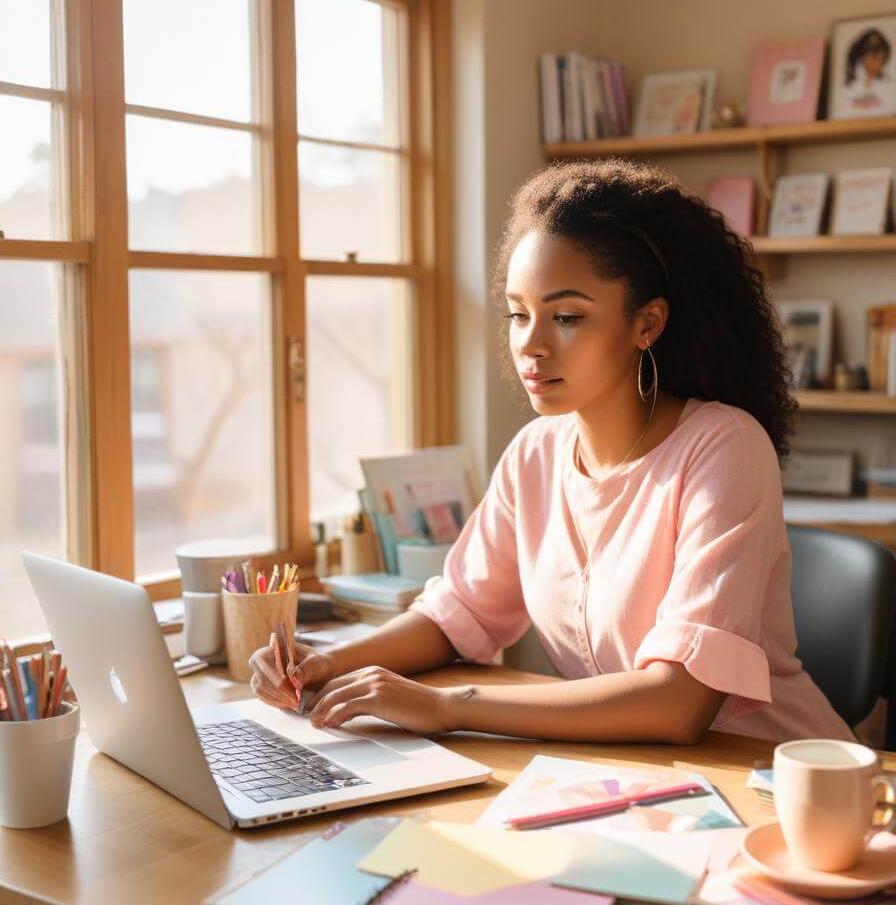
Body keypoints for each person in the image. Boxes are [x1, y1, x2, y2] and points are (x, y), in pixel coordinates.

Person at [249, 158, 854, 745]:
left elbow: (679, 702)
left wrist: (444, 706)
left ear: (647, 324)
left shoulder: (724, 448)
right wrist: (326, 663)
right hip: (634, 780)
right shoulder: (535, 453)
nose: (531, 345)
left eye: (565, 316)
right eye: (518, 315)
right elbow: (459, 615)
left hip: (771, 783)